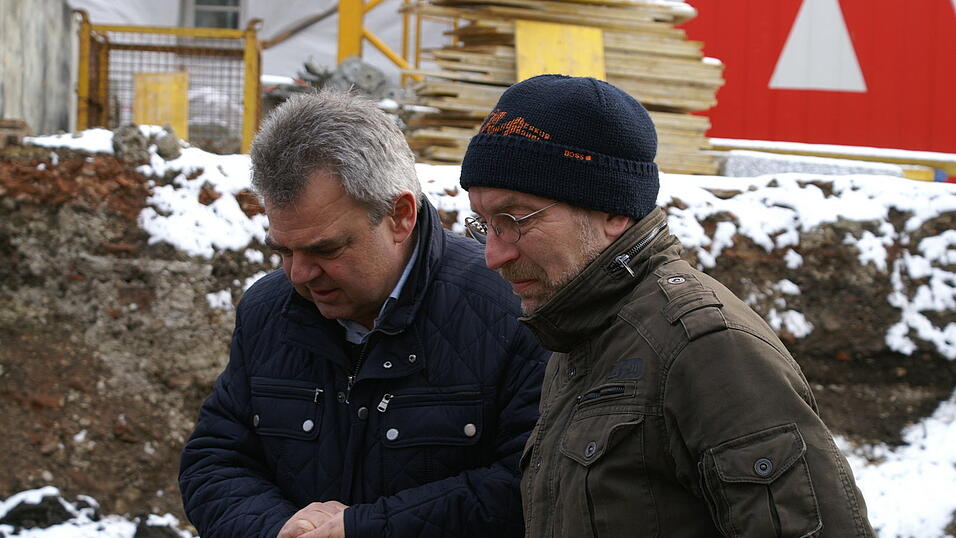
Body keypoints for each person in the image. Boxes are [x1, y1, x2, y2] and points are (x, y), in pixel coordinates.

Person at [460, 74, 875, 537]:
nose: (493, 255)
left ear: (613, 212)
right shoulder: (578, 330)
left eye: (514, 220)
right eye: (484, 223)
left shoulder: (706, 348)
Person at [179, 90, 548, 538]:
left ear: (400, 216)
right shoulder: (267, 310)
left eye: (326, 249)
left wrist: (363, 528)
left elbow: (527, 486)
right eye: (282, 251)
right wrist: (279, 529)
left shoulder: (511, 310)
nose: (299, 274)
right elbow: (215, 459)